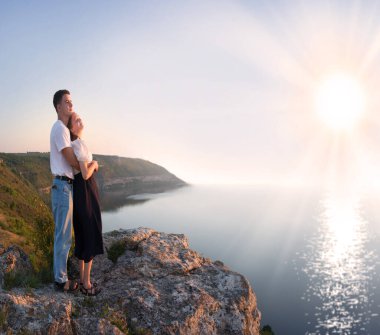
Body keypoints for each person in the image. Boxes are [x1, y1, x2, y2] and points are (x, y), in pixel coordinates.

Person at [67, 112, 103, 296]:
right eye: (77, 120)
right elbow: (86, 174)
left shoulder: (75, 144)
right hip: (86, 190)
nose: (81, 121)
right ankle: (87, 285)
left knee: (82, 232)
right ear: (72, 128)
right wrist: (95, 163)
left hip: (81, 191)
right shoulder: (78, 144)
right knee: (89, 231)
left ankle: (82, 279)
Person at [50, 89, 80, 292]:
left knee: (64, 234)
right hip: (62, 187)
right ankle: (61, 281)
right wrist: (86, 166)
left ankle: (62, 276)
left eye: (72, 102)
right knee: (63, 235)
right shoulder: (60, 128)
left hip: (64, 186)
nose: (71, 105)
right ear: (58, 106)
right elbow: (70, 159)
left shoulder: (63, 129)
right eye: (67, 102)